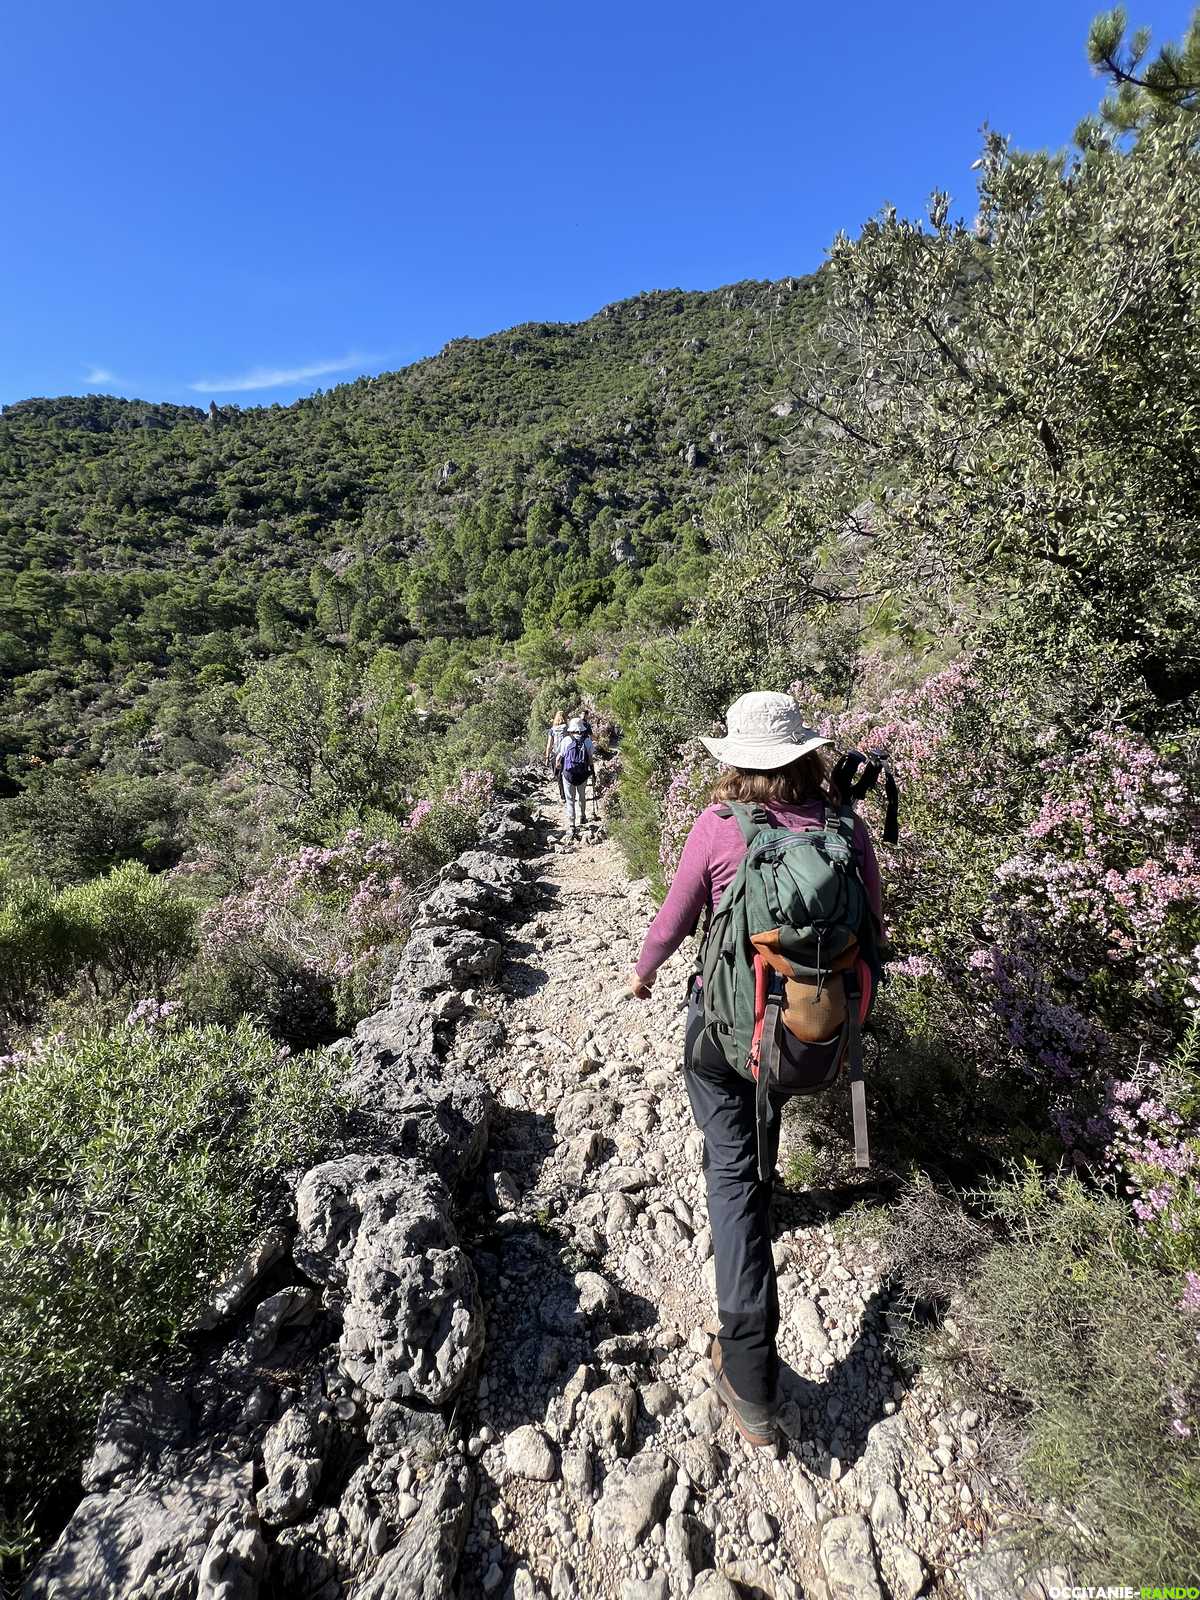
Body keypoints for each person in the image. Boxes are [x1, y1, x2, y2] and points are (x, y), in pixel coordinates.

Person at [625, 691, 884, 1447]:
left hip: (728, 1036)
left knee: (731, 1173)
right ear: (806, 755)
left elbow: (674, 918)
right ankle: (765, 1190)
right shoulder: (846, 829)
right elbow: (874, 932)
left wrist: (643, 971)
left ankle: (749, 1376)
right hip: (812, 1036)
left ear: (736, 760)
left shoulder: (720, 825)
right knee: (763, 1090)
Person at [556, 716, 595, 836]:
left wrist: (558, 767)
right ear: (582, 729)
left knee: (570, 799)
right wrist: (592, 771)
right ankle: (582, 816)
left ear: (571, 728)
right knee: (582, 796)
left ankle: (572, 824)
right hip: (583, 774)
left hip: (568, 774)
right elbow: (590, 759)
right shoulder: (587, 741)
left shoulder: (566, 740)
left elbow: (559, 757)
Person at [545, 711, 568, 799]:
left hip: (555, 754)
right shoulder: (567, 728)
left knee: (558, 775)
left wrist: (547, 757)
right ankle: (568, 793)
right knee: (566, 773)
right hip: (566, 754)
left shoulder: (552, 730)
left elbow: (549, 745)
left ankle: (562, 795)